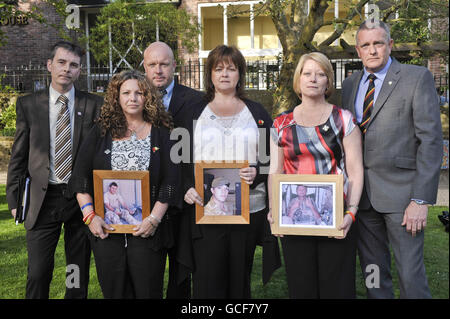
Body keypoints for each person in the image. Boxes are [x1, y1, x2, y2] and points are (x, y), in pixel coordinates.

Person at [341, 20, 443, 299]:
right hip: (362, 198)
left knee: (410, 274)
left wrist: (421, 200)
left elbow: (430, 142)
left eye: (378, 43)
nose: (372, 50)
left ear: (390, 45)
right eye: (365, 45)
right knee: (373, 273)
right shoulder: (349, 85)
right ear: (358, 50)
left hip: (403, 198)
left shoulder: (416, 77)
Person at [69, 69, 180, 298]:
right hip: (106, 230)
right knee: (114, 291)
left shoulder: (162, 133)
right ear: (116, 97)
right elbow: (79, 177)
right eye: (126, 93)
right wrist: (90, 217)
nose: (133, 98)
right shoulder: (100, 131)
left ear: (147, 97)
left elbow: (171, 180)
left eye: (139, 93)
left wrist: (154, 219)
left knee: (148, 291)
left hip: (148, 231)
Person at [6, 41, 103, 299]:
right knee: (38, 271)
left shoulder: (94, 105)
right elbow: (19, 156)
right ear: (50, 65)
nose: (66, 69)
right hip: (42, 198)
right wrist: (14, 198)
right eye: (61, 62)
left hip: (80, 199)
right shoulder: (29, 105)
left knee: (77, 270)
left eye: (73, 65)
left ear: (80, 70)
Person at [182, 45, 281, 298]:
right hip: (206, 208)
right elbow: (178, 159)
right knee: (206, 279)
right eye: (218, 68)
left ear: (240, 74)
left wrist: (256, 173)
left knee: (239, 278)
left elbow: (270, 160)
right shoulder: (193, 112)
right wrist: (186, 188)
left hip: (247, 210)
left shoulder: (257, 112)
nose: (224, 74)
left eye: (231, 68)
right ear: (210, 74)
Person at [268, 51, 364, 298]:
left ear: (328, 82)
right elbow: (275, 171)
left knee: (338, 288)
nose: (313, 79)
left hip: (336, 219)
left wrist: (351, 213)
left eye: (320, 74)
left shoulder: (343, 119)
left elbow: (355, 170)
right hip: (294, 220)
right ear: (298, 80)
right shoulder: (280, 124)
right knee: (301, 288)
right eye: (307, 73)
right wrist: (274, 211)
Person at [143, 41, 204, 298]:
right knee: (147, 271)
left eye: (164, 64)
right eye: (152, 65)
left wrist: (192, 183)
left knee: (181, 272)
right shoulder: (133, 99)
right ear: (144, 67)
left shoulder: (196, 101)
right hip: (147, 199)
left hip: (184, 197)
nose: (158, 70)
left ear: (174, 66)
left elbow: (203, 150)